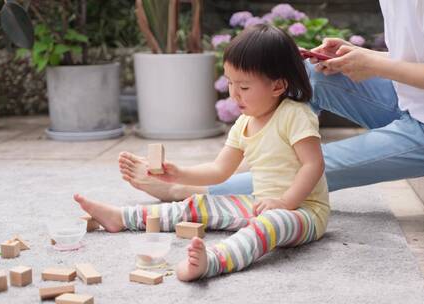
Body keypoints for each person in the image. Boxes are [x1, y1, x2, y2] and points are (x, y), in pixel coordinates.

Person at [118, 0, 424, 199]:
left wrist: (373, 63)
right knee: (311, 75)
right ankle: (239, 162)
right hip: (419, 101)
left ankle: (196, 193)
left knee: (315, 165)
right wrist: (358, 59)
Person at [74, 24, 329, 282]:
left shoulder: (295, 115)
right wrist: (178, 174)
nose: (234, 94)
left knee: (270, 224)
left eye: (244, 87)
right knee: (200, 204)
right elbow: (219, 170)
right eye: (230, 83)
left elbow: (314, 165)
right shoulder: (244, 123)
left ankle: (214, 261)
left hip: (304, 212)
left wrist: (285, 203)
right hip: (261, 202)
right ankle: (122, 217)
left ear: (277, 86)